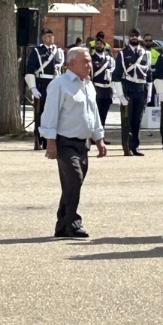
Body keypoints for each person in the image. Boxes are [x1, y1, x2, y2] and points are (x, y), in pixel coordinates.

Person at [40, 47, 107, 238]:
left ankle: (62, 224)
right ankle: (73, 223)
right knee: (75, 180)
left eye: (90, 61)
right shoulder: (60, 84)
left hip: (83, 143)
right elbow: (50, 114)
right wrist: (50, 141)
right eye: (85, 61)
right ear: (71, 64)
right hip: (65, 142)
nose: (90, 65)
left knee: (72, 184)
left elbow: (94, 115)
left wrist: (99, 139)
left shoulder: (88, 85)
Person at [112, 28, 152, 156]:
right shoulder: (123, 53)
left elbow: (149, 75)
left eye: (136, 36)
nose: (134, 38)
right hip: (128, 88)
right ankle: (126, 146)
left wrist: (149, 94)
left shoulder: (146, 53)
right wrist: (120, 95)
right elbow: (116, 75)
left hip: (141, 89)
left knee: (137, 119)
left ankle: (136, 146)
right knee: (127, 120)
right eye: (131, 36)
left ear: (140, 37)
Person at [25, 28, 64, 150]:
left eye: (52, 36)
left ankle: (51, 140)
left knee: (55, 113)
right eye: (48, 36)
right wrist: (33, 88)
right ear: (43, 38)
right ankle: (39, 138)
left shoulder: (58, 51)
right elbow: (29, 70)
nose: (50, 38)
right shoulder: (37, 51)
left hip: (55, 83)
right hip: (42, 83)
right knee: (41, 113)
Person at [91, 35, 115, 145]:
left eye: (100, 44)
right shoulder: (92, 59)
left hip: (107, 90)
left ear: (104, 46)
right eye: (97, 44)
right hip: (97, 88)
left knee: (104, 115)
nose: (98, 46)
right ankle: (92, 136)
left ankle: (101, 136)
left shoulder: (110, 60)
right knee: (95, 114)